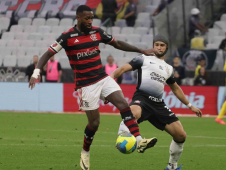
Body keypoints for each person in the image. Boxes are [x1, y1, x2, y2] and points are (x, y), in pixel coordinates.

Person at [28, 5, 159, 170]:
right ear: (78, 18)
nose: (90, 21)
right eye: (87, 18)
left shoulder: (97, 32)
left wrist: (140, 50)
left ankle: (140, 141)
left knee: (123, 105)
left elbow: (117, 43)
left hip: (103, 78)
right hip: (86, 85)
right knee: (95, 123)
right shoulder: (67, 37)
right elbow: (47, 54)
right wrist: (36, 72)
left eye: (92, 18)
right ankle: (85, 152)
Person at [110, 34, 202, 170]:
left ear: (166, 48)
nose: (159, 47)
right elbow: (121, 70)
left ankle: (172, 166)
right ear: (153, 46)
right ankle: (124, 137)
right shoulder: (143, 59)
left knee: (181, 135)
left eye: (162, 45)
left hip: (158, 104)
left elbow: (175, 89)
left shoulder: (168, 69)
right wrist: (109, 82)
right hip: (142, 98)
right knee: (132, 113)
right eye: (157, 44)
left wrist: (190, 105)